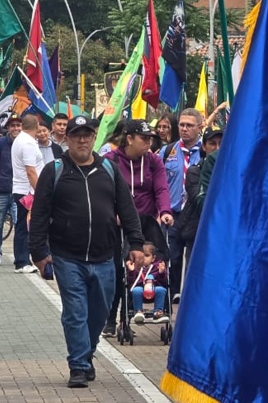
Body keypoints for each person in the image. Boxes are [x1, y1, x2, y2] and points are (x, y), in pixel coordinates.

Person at [28, 115, 146, 388]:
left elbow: (127, 209)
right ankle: (79, 366)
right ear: (67, 139)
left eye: (87, 135)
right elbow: (41, 213)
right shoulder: (54, 170)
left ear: (94, 138)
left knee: (100, 312)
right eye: (76, 135)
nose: (82, 140)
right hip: (67, 257)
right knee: (75, 311)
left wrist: (136, 244)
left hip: (106, 256)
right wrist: (38, 251)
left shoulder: (109, 169)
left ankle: (86, 352)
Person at [102, 119, 173, 336]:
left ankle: (137, 310)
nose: (148, 143)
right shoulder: (110, 160)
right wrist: (111, 213)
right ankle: (112, 317)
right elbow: (103, 192)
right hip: (119, 222)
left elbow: (161, 188)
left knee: (148, 263)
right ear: (129, 138)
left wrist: (165, 211)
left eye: (150, 139)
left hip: (146, 220)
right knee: (117, 268)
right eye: (143, 138)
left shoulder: (153, 161)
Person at [159, 108, 204, 302]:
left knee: (193, 258)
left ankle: (191, 298)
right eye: (182, 125)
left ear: (200, 127)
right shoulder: (168, 151)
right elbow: (158, 183)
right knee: (173, 257)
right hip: (173, 215)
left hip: (196, 216)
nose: (184, 129)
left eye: (189, 125)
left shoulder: (206, 151)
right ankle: (173, 296)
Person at [178, 126, 223, 269]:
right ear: (203, 146)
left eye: (221, 143)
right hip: (197, 234)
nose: (217, 148)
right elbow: (201, 203)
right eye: (212, 143)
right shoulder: (194, 171)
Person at [11, 114, 44, 273]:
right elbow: (31, 171)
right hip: (27, 191)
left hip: (24, 189)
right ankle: (22, 261)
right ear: (37, 125)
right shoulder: (27, 143)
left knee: (23, 225)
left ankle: (23, 259)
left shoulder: (22, 140)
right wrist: (40, 191)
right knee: (24, 226)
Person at [126, 243, 169, 324]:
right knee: (136, 290)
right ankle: (138, 311)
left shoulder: (157, 267)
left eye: (147, 255)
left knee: (161, 289)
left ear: (153, 258)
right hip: (141, 290)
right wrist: (131, 271)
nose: (143, 258)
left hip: (154, 289)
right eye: (141, 255)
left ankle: (158, 312)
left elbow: (164, 282)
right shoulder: (136, 266)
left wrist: (161, 273)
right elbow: (131, 282)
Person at [0, 115, 21, 264]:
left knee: (20, 224)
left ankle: (20, 257)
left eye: (18, 125)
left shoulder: (26, 143)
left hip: (19, 192)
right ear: (8, 128)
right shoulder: (1, 143)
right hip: (2, 190)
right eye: (13, 126)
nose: (16, 128)